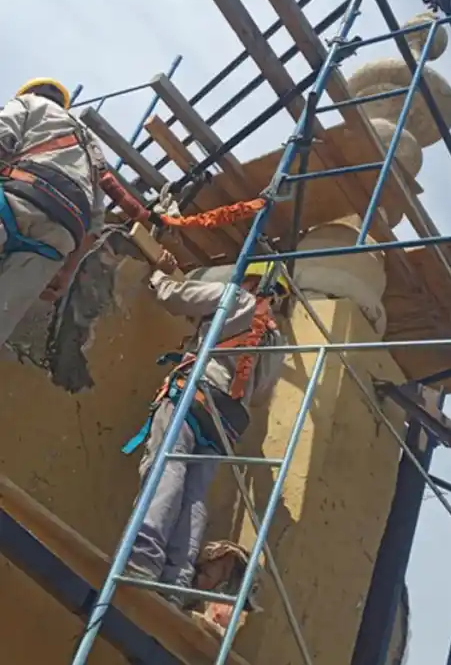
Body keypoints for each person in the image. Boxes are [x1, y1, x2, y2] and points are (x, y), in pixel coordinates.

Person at [124, 256, 288, 607]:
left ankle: (142, 560)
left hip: (196, 395)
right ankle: (177, 581)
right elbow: (259, 395)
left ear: (251, 282)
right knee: (195, 495)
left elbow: (175, 296)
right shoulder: (277, 340)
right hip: (227, 422)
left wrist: (157, 275)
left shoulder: (237, 298)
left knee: (167, 468)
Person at [0, 78, 107, 349]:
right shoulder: (93, 146)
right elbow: (95, 225)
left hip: (19, 200)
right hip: (61, 236)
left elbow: (3, 136)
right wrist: (65, 273)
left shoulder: (28, 103)